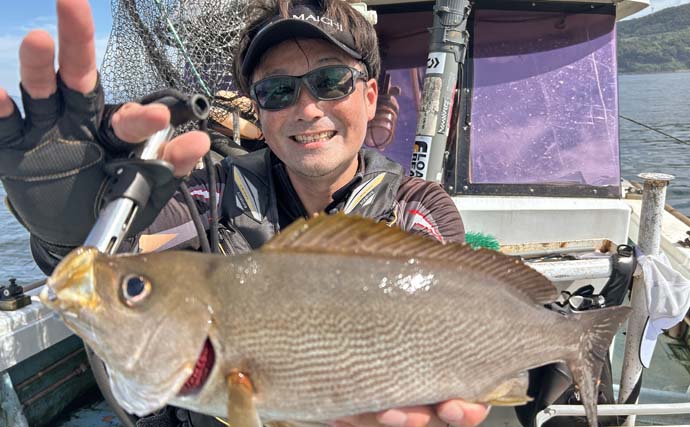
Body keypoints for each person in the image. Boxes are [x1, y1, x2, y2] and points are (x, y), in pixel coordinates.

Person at [0, 0, 490, 427]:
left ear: (369, 95)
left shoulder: (419, 208)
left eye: (330, 81)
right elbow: (119, 257)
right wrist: (69, 227)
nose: (308, 108)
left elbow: (455, 322)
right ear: (259, 109)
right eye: (278, 91)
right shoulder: (206, 197)